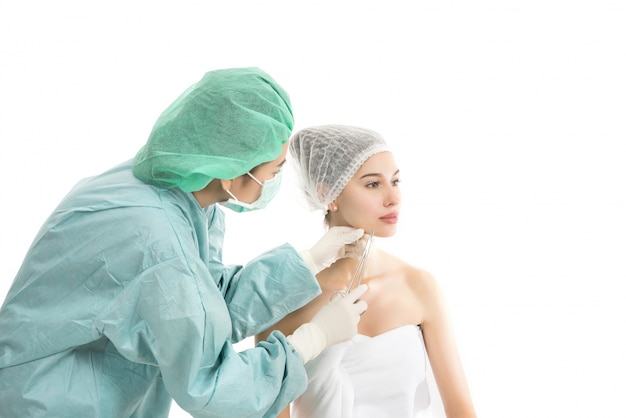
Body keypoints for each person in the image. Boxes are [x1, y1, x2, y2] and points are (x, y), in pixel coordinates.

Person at [0, 69, 369, 418]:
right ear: (231, 170)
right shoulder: (159, 243)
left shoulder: (172, 188)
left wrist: (310, 260)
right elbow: (211, 389)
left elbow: (202, 305)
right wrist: (311, 339)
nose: (277, 176)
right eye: (274, 168)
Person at [256, 125, 477, 417]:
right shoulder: (282, 299)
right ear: (327, 193)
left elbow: (462, 411)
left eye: (395, 181)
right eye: (373, 184)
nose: (393, 198)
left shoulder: (419, 286)